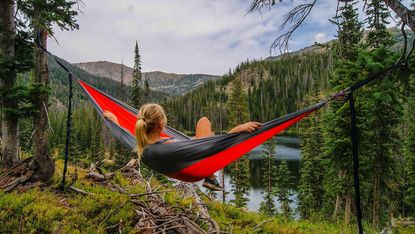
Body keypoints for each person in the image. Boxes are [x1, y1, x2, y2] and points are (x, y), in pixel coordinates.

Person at [105, 104, 262, 191]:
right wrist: (238, 129)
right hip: (194, 169)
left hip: (182, 162)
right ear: (161, 124)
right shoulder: (169, 148)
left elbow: (123, 134)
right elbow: (217, 147)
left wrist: (114, 121)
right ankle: (211, 177)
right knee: (204, 121)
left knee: (205, 127)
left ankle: (211, 176)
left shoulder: (140, 145)